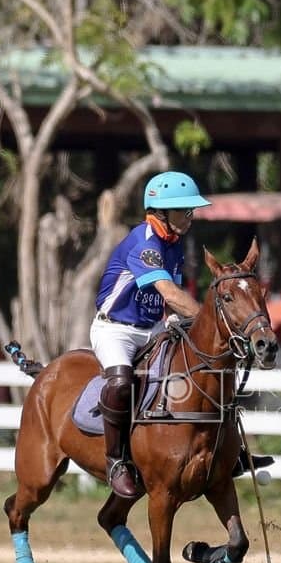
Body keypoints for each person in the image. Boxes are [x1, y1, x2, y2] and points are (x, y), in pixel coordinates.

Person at [92, 171, 210, 498]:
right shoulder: (144, 242)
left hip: (153, 326)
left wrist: (176, 321)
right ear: (161, 212)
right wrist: (206, 319)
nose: (190, 217)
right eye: (183, 210)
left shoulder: (174, 246)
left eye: (191, 211)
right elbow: (169, 293)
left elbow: (167, 304)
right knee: (121, 383)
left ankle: (227, 451)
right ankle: (116, 461)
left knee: (202, 369)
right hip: (116, 329)